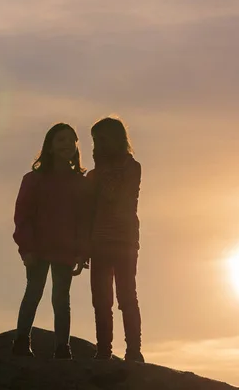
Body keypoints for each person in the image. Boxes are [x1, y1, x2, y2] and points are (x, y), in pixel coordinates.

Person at [12, 122, 90, 359]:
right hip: (37, 248)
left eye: (71, 140)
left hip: (65, 250)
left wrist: (82, 252)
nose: (67, 144)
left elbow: (84, 220)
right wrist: (26, 248)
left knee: (61, 298)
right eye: (60, 140)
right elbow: (22, 215)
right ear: (50, 146)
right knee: (33, 292)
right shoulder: (34, 179)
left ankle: (62, 347)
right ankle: (22, 342)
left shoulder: (80, 183)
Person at [87, 117, 145, 362]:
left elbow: (115, 196)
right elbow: (88, 209)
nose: (98, 145)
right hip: (98, 241)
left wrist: (95, 177)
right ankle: (103, 352)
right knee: (101, 300)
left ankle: (133, 351)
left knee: (126, 297)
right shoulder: (97, 173)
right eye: (95, 141)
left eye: (101, 139)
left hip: (124, 242)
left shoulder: (132, 167)